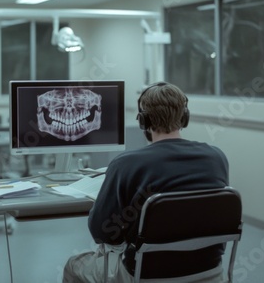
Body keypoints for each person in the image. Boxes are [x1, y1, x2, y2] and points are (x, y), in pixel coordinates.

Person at [63, 82, 229, 283]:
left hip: (144, 275)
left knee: (74, 265)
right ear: (185, 117)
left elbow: (102, 233)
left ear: (143, 120)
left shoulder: (126, 164)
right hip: (209, 271)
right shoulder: (216, 158)